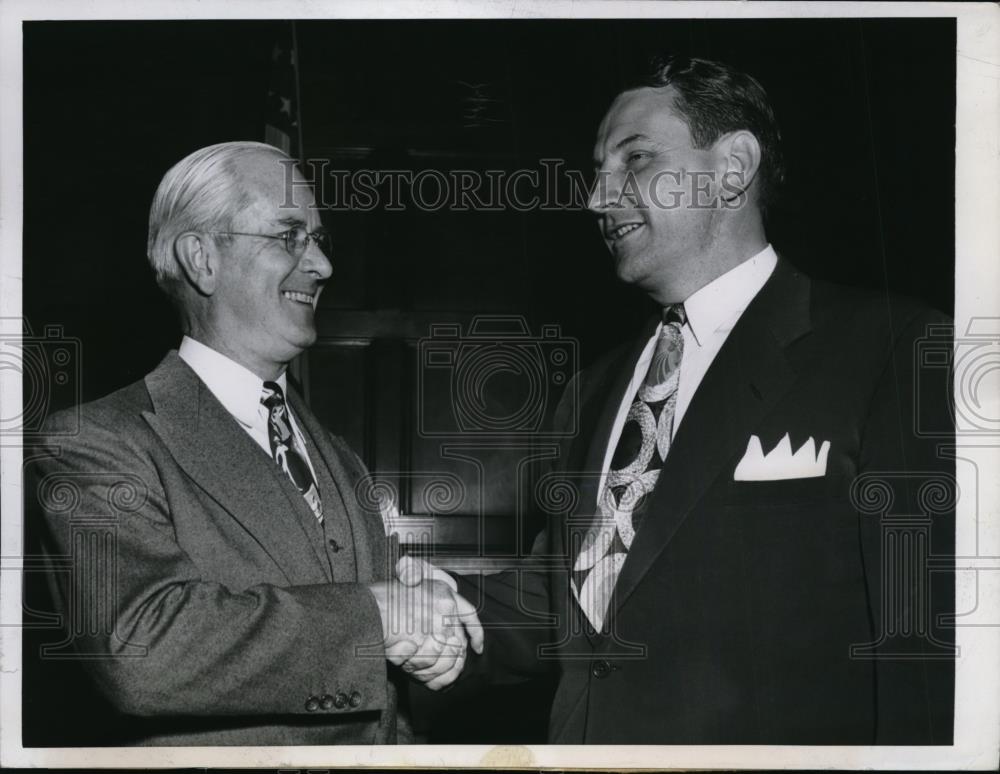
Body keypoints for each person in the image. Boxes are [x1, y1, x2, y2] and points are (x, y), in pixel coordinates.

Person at [434, 55, 955, 744]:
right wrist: (411, 612)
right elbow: (564, 606)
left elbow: (926, 653)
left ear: (733, 169)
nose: (596, 197)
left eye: (635, 159)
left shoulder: (892, 349)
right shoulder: (593, 392)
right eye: (598, 169)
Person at [24, 141, 481, 746]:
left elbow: (370, 688)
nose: (321, 265)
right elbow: (141, 647)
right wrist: (378, 613)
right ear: (201, 259)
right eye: (289, 235)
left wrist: (424, 621)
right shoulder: (94, 443)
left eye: (318, 239)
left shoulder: (335, 453)